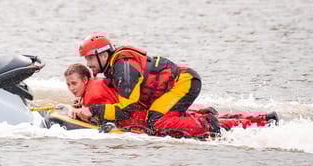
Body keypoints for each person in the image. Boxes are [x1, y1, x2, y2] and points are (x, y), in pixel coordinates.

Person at [73, 33, 220, 137]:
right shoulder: (113, 66)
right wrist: (85, 99)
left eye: (91, 58)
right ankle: (197, 114)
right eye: (87, 59)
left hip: (185, 82)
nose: (88, 64)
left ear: (104, 56)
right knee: (156, 114)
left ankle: (208, 124)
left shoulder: (123, 68)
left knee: (155, 122)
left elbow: (126, 110)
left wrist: (93, 110)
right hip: (172, 87)